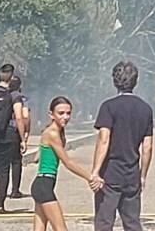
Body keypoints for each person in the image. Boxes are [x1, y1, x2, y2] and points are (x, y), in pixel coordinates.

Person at [90, 61, 154, 231]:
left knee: (104, 220)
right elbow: (147, 147)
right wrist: (143, 175)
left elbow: (104, 139)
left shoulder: (108, 107)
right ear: (135, 81)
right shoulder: (145, 109)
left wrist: (95, 171)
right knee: (132, 222)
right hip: (132, 171)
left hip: (110, 171)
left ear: (114, 81)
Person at [31, 96, 101, 231]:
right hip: (44, 185)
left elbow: (36, 158)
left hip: (42, 184)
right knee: (61, 228)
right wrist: (90, 177)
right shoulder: (52, 133)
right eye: (61, 113)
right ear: (51, 114)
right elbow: (67, 162)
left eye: (68, 113)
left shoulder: (54, 131)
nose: (65, 117)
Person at [0, 63, 26, 214]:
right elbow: (19, 117)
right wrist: (23, 139)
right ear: (11, 79)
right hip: (7, 135)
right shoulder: (14, 95)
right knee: (3, 170)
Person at [7, 75, 29, 200]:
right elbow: (23, 117)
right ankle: (15, 190)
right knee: (15, 161)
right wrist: (24, 137)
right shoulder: (19, 98)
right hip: (12, 132)